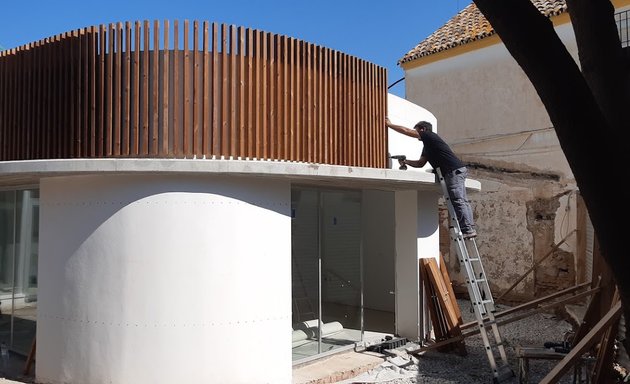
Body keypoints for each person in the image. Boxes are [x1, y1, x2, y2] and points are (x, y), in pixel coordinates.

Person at [385, 117, 477, 239]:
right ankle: (468, 228)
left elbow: (406, 130)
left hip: (453, 171)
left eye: (417, 130)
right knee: (461, 200)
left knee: (459, 200)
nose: (417, 134)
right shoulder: (427, 146)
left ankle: (468, 229)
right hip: (454, 171)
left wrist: (389, 125)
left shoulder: (429, 135)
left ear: (423, 129)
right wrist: (405, 162)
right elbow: (420, 163)